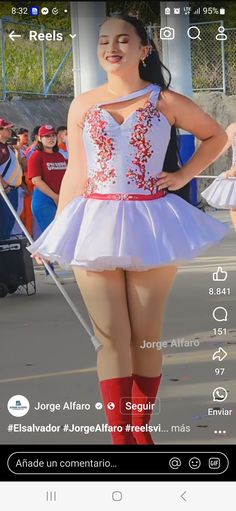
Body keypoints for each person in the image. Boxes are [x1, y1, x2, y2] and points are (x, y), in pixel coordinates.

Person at [27, 14, 230, 445]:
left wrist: (181, 177)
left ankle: (142, 431)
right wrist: (56, 233)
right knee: (111, 338)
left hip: (151, 222)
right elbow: (78, 174)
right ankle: (120, 438)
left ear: (145, 49)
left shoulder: (165, 101)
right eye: (103, 40)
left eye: (123, 39)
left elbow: (216, 137)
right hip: (93, 221)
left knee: (146, 335)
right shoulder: (83, 104)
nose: (111, 47)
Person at [28, 124, 67, 282]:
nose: (50, 138)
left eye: (52, 135)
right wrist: (55, 196)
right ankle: (48, 271)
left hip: (60, 199)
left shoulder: (60, 156)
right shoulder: (36, 156)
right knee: (49, 235)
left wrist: (62, 197)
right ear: (39, 138)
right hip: (44, 200)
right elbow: (36, 180)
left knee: (62, 233)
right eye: (46, 136)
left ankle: (56, 268)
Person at [201, 122, 236, 229]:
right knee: (235, 208)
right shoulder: (233, 127)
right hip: (234, 175)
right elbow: (218, 149)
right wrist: (196, 168)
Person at [0, 118, 22, 238]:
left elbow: (16, 166)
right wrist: (4, 185)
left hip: (12, 190)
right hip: (5, 191)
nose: (10, 131)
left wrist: (18, 152)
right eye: (7, 128)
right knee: (4, 225)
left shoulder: (7, 147)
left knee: (8, 224)